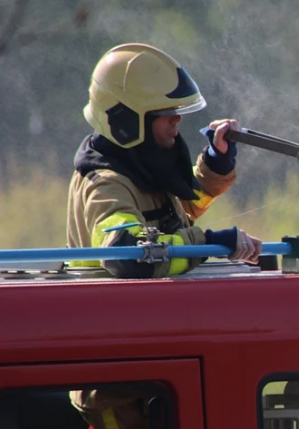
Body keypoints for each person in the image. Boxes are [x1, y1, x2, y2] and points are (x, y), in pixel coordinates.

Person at [66, 42, 262, 279]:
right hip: (115, 312)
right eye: (165, 112)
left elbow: (181, 204)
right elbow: (128, 256)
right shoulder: (107, 185)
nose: (177, 119)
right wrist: (207, 243)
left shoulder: (138, 168)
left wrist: (215, 162)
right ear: (128, 119)